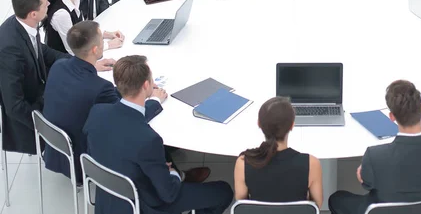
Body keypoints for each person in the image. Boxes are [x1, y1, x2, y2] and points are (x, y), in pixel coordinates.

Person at [84, 55, 233, 214]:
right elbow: (169, 194)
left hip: (108, 197)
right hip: (145, 204)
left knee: (163, 157)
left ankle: (178, 177)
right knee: (223, 191)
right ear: (147, 84)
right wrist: (172, 174)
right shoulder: (148, 140)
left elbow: (123, 126)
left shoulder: (97, 112)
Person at [42, 21, 163, 183]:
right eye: (101, 41)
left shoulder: (59, 65)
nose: (103, 43)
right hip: (84, 159)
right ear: (95, 49)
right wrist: (154, 99)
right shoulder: (100, 88)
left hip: (56, 148)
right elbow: (129, 120)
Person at [328, 80, 421, 214]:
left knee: (336, 198)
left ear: (392, 117)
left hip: (380, 207)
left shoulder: (375, 156)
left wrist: (364, 174)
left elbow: (367, 183)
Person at [0, 0, 70, 155]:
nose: (49, 5)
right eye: (45, 4)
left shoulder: (24, 23)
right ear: (33, 14)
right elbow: (14, 107)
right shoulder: (10, 50)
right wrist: (45, 128)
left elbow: (42, 50)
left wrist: (78, 62)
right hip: (29, 114)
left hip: (40, 95)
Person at [234, 97, 323, 207]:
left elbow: (242, 204)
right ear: (292, 125)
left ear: (259, 124)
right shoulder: (311, 163)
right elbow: (316, 205)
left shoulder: (243, 162)